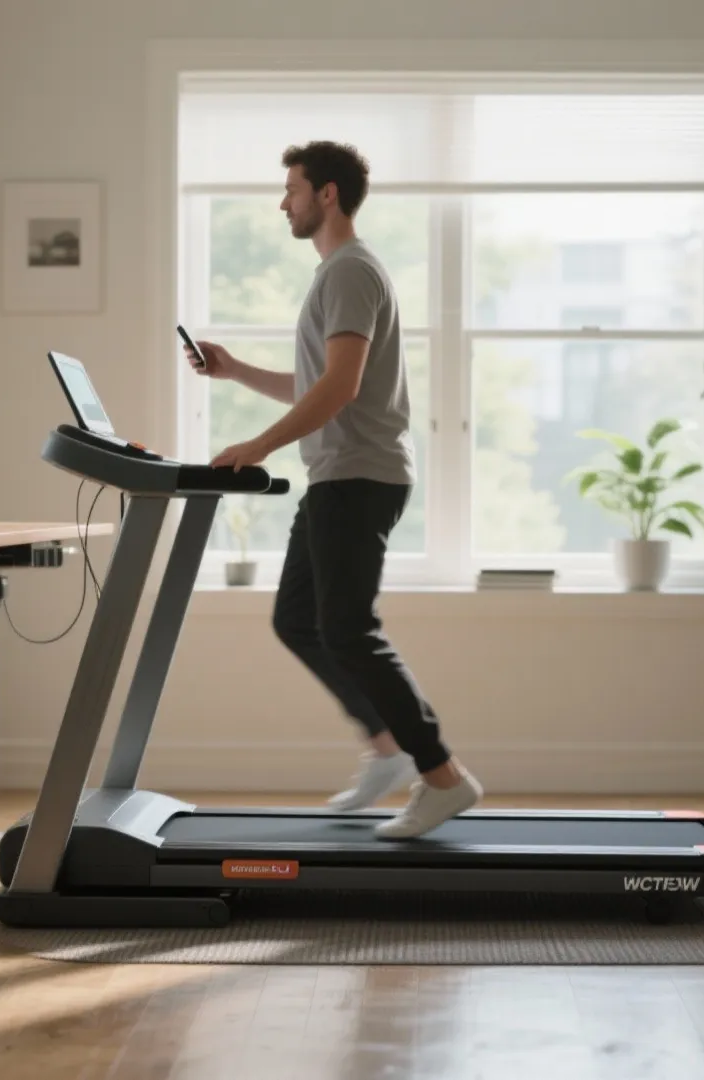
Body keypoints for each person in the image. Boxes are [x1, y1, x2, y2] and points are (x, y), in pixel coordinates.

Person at [185, 140, 482, 840]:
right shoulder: (336, 277)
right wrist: (236, 374)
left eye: (290, 188)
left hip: (359, 476)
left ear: (326, 195)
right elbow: (320, 383)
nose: (281, 202)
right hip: (337, 476)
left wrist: (258, 446)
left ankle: (442, 777)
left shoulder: (349, 272)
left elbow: (342, 390)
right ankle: (386, 750)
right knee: (298, 620)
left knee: (349, 631)